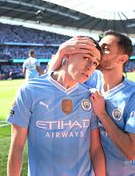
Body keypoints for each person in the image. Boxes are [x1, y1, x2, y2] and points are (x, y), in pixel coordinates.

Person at [7, 37, 106, 176]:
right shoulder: (29, 91)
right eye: (86, 57)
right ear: (67, 54)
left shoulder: (89, 97)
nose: (90, 67)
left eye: (95, 63)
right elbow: (17, 147)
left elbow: (95, 149)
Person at [49, 31, 135, 176]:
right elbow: (52, 79)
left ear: (122, 59)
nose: (98, 51)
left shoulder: (132, 95)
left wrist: (102, 114)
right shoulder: (91, 79)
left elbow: (131, 151)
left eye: (105, 48)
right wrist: (62, 51)